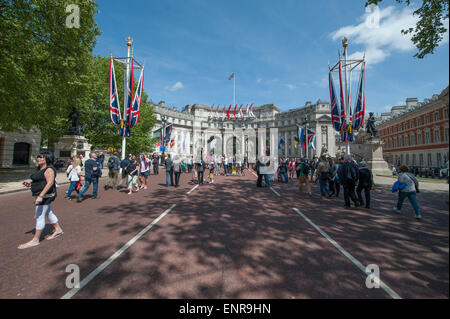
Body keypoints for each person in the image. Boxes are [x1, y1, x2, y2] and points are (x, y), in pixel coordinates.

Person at [18, 153, 63, 249]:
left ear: (47, 159)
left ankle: (35, 240)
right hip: (41, 195)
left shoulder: (49, 169)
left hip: (45, 196)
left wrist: (41, 196)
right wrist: (30, 185)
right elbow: (40, 181)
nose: (38, 158)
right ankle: (58, 229)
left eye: (41, 157)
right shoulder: (40, 169)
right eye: (38, 156)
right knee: (49, 213)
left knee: (39, 215)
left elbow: (50, 183)